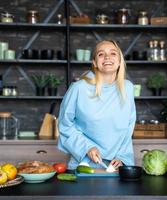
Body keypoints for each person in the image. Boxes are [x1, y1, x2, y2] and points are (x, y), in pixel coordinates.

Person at [57, 40, 136, 170]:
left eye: (113, 53)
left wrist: (122, 157)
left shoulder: (127, 88)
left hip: (115, 167)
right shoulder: (79, 88)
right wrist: (86, 147)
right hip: (84, 165)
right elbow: (65, 125)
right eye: (101, 54)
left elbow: (128, 128)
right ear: (94, 62)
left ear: (120, 60)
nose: (107, 57)